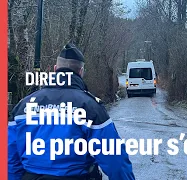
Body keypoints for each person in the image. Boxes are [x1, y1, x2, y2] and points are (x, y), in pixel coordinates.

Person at [8, 43, 135, 180]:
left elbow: (9, 159)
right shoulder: (90, 107)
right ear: (81, 72)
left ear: (55, 69)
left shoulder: (23, 106)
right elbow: (115, 160)